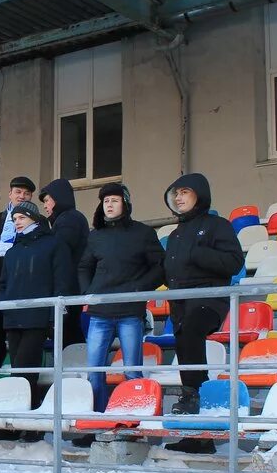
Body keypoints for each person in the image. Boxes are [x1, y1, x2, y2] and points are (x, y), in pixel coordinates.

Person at [162, 172, 245, 454]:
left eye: (185, 192)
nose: (179, 197)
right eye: (176, 193)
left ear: (199, 194)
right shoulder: (174, 234)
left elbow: (234, 263)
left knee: (193, 333)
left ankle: (197, 400)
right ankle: (198, 435)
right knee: (185, 350)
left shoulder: (216, 225)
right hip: (180, 303)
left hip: (209, 298)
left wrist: (199, 254)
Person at [78, 184, 165, 413]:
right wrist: (88, 292)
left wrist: (140, 288)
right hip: (99, 313)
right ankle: (96, 419)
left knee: (132, 371)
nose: (109, 205)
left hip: (130, 313)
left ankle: (133, 418)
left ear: (125, 204)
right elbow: (84, 266)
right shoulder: (95, 235)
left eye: (114, 200)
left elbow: (159, 267)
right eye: (106, 201)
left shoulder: (143, 233)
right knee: (95, 372)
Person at [0, 200, 76, 410]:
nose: (17, 223)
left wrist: (54, 317)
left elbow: (62, 282)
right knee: (18, 370)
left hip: (37, 318)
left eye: (21, 217)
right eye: (14, 219)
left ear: (34, 218)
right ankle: (23, 416)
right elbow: (3, 284)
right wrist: (2, 307)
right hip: (13, 319)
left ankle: (28, 418)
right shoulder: (12, 251)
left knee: (24, 370)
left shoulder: (54, 244)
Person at [0, 176, 35, 372]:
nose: (22, 196)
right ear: (10, 194)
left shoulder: (35, 222)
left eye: (26, 193)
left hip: (20, 289)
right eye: (18, 192)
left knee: (17, 336)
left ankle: (15, 377)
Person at [39, 177, 89, 346]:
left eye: (47, 200)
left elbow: (59, 255)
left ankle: (74, 369)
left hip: (68, 288)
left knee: (68, 334)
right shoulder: (65, 219)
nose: (45, 206)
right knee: (68, 333)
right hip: (70, 287)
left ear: (58, 198)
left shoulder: (68, 219)